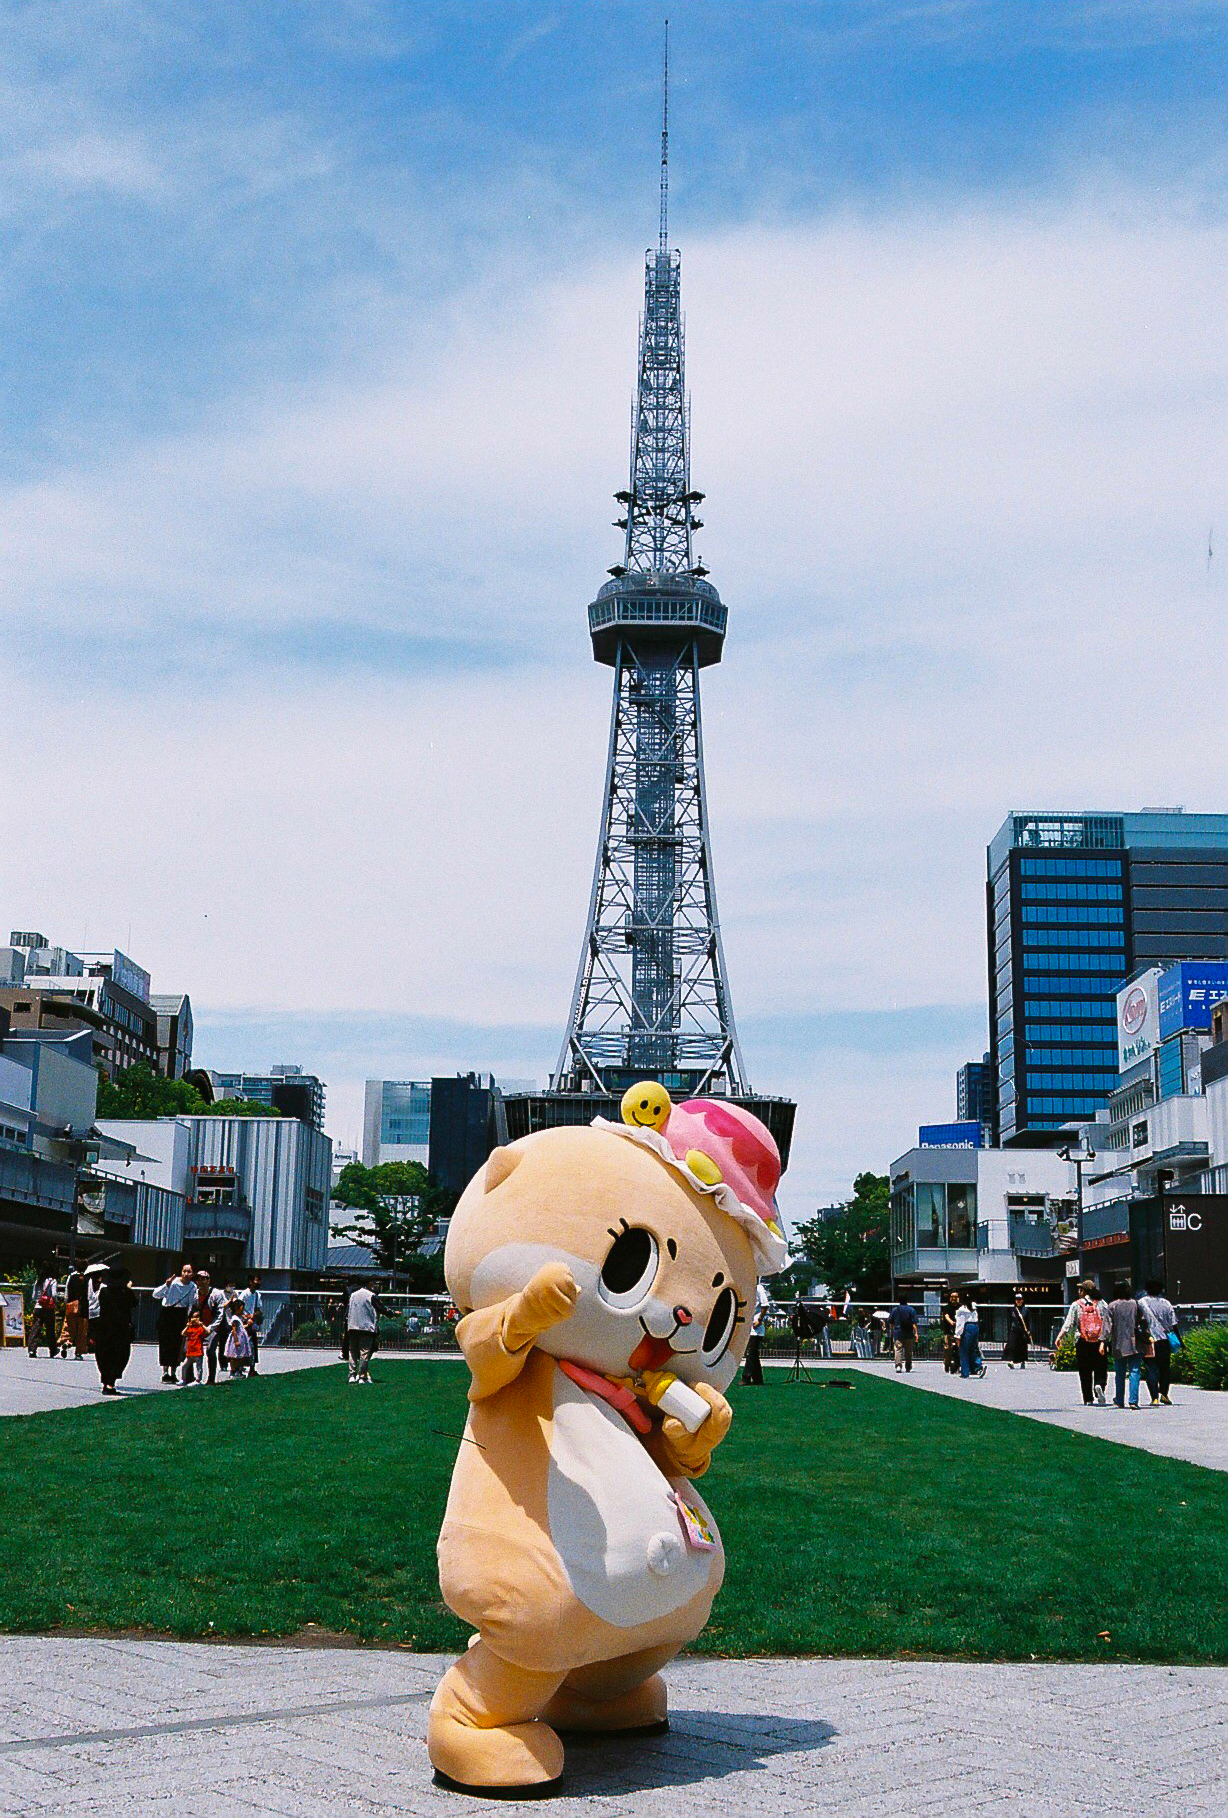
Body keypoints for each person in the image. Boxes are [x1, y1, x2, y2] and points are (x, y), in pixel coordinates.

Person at [1056, 1279, 1110, 1406]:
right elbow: (1108, 1322)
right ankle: (1099, 1385)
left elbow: (1069, 1323)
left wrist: (1060, 1337)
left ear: (1083, 1291)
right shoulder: (1102, 1304)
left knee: (1085, 1370)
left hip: (1083, 1341)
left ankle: (1088, 1398)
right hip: (1099, 1341)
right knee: (1101, 1367)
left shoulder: (1077, 1304)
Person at [93, 1264, 136, 1395]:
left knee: (104, 1354)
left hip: (104, 1327)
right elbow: (134, 1303)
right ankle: (111, 1382)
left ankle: (106, 1380)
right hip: (121, 1328)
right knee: (120, 1355)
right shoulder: (126, 1293)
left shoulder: (104, 1292)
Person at [152, 1263, 196, 1383]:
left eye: (189, 1272)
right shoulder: (173, 1282)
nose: (186, 1274)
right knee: (165, 1343)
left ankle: (173, 1372)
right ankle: (165, 1372)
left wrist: (189, 1318)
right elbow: (155, 1294)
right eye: (184, 1271)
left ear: (193, 1274)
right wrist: (166, 1284)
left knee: (177, 1344)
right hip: (167, 1313)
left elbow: (191, 1303)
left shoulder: (192, 1287)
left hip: (180, 1314)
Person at [1106, 1277, 1146, 1410]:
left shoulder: (1112, 1306)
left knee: (1120, 1372)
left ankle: (1119, 1398)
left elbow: (1107, 1326)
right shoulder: (1136, 1304)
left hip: (1119, 1342)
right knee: (1135, 1371)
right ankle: (1133, 1400)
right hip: (1136, 1342)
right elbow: (1143, 1321)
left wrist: (1103, 1341)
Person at [1139, 1277, 1178, 1406]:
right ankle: (1164, 1394)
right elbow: (1173, 1324)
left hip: (1149, 1340)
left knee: (1151, 1368)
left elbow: (1139, 1321)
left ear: (1146, 1289)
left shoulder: (1141, 1302)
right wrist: (1179, 1340)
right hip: (1164, 1340)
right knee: (1165, 1368)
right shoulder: (1166, 1303)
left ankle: (1154, 1397)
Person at [192, 1271, 227, 1384]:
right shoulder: (195, 1294)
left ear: (208, 1280)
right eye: (198, 1279)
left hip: (214, 1327)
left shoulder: (216, 1294)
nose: (201, 1282)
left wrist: (211, 1328)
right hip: (201, 1326)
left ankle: (211, 1378)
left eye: (203, 1279)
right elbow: (193, 1310)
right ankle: (192, 1377)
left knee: (211, 1351)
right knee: (193, 1351)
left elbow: (220, 1314)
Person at [346, 1279, 380, 1384]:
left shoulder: (353, 1295)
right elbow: (380, 1307)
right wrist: (392, 1313)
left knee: (352, 1351)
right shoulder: (371, 1295)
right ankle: (362, 1376)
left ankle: (352, 1375)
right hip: (366, 1328)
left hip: (352, 1326)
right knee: (364, 1353)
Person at [58, 1265, 90, 1359]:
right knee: (82, 1331)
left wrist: (66, 1302)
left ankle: (67, 1342)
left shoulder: (71, 1277)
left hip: (71, 1306)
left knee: (68, 1327)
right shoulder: (87, 1279)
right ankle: (78, 1352)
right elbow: (90, 1294)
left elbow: (66, 1292)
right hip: (83, 1307)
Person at [741, 1283, 769, 1384]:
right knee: (753, 1354)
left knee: (751, 1353)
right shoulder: (748, 1287)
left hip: (757, 1328)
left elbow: (765, 1305)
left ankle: (746, 1377)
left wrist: (760, 1320)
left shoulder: (759, 1288)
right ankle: (758, 1379)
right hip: (750, 1326)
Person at [27, 1268, 59, 1358]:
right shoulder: (52, 1281)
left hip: (38, 1307)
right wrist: (54, 1302)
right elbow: (54, 1294)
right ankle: (53, 1350)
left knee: (36, 1329)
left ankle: (32, 1350)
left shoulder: (38, 1281)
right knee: (50, 1330)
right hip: (48, 1309)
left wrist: (39, 1300)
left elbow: (33, 1296)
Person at [955, 1289, 986, 1379]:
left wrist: (957, 1335)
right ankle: (978, 1366)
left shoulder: (962, 1310)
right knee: (972, 1349)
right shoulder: (973, 1307)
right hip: (975, 1327)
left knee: (964, 1350)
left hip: (967, 1327)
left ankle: (965, 1372)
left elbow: (960, 1324)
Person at [888, 1292, 919, 1373]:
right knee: (908, 1350)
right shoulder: (911, 1310)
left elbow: (891, 1322)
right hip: (908, 1332)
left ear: (898, 1300)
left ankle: (898, 1365)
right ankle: (908, 1366)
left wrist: (892, 1331)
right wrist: (916, 1333)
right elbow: (914, 1323)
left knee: (898, 1349)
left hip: (898, 1332)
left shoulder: (895, 1310)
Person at [223, 1301, 254, 1377]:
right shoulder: (234, 1318)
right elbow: (234, 1330)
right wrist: (236, 1340)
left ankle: (238, 1370)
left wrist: (247, 1325)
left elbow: (241, 1328)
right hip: (237, 1339)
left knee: (239, 1356)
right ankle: (233, 1371)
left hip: (241, 1338)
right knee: (235, 1356)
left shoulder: (239, 1318)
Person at [1003, 1293, 1032, 1369]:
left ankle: (1023, 1361)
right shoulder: (1012, 1310)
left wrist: (1029, 1331)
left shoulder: (1026, 1310)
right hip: (1014, 1330)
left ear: (1022, 1300)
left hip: (1022, 1331)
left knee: (1022, 1347)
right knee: (1012, 1346)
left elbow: (1028, 1321)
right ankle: (1011, 1361)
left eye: (1020, 1300)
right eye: (1017, 1300)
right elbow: (1010, 1321)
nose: (1018, 1301)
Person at [241, 1273, 264, 1373]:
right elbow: (238, 1307)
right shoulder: (244, 1294)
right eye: (256, 1280)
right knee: (244, 1345)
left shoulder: (257, 1295)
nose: (257, 1283)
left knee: (253, 1345)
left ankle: (252, 1368)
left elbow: (259, 1309)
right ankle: (240, 1366)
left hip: (252, 1323)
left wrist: (254, 1315)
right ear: (250, 1281)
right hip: (245, 1323)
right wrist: (245, 1317)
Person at [181, 1309, 206, 1385]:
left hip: (198, 1350)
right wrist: (187, 1326)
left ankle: (198, 1380)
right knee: (184, 1366)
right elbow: (183, 1333)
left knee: (198, 1366)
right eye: (194, 1317)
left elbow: (207, 1332)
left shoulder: (200, 1327)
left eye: (197, 1317)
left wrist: (201, 1324)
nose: (195, 1319)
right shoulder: (190, 1327)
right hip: (190, 1351)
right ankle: (183, 1379)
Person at [940, 1290, 960, 1375]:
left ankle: (958, 1365)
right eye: (952, 1297)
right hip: (948, 1331)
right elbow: (946, 1316)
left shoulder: (961, 1307)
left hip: (959, 1331)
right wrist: (951, 1322)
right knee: (948, 1348)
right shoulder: (947, 1307)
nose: (953, 1299)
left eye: (955, 1297)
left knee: (959, 1349)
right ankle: (947, 1364)